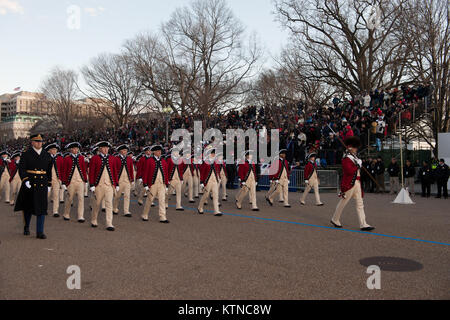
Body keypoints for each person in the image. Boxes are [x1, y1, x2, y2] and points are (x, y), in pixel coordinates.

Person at [331, 136, 375, 232]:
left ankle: (363, 224)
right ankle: (335, 219)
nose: (356, 149)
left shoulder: (354, 158)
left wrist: (358, 163)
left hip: (357, 183)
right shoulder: (346, 158)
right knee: (343, 202)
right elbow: (349, 171)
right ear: (351, 148)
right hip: (349, 184)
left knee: (360, 204)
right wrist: (357, 165)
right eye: (355, 148)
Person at [14, 134, 53, 239]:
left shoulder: (46, 155)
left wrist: (49, 183)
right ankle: (26, 226)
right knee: (28, 207)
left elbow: (49, 171)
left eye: (40, 141)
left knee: (41, 208)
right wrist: (25, 180)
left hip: (42, 183)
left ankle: (40, 231)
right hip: (30, 183)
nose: (39, 143)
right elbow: (21, 168)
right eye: (36, 141)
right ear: (32, 142)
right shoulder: (26, 154)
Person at [89, 141, 119, 231]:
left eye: (107, 148)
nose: (106, 150)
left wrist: (116, 183)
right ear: (100, 149)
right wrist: (92, 185)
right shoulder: (94, 158)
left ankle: (109, 223)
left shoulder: (112, 158)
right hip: (99, 185)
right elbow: (92, 173)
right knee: (97, 204)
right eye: (104, 148)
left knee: (109, 204)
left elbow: (114, 172)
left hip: (109, 185)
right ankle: (94, 219)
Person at [141, 145, 170, 223]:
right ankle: (145, 214)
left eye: (160, 151)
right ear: (154, 152)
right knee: (150, 200)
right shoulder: (149, 160)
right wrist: (145, 184)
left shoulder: (163, 161)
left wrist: (167, 184)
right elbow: (145, 173)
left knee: (162, 200)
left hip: (161, 184)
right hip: (152, 184)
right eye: (157, 151)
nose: (159, 152)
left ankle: (162, 216)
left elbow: (166, 173)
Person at [62, 142, 88, 223]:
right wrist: (63, 182)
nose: (75, 150)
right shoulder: (66, 159)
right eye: (73, 149)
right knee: (69, 198)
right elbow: (64, 171)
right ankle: (66, 213)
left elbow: (84, 169)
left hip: (80, 181)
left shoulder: (81, 158)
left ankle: (80, 216)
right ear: (71, 150)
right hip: (71, 181)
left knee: (81, 199)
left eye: (77, 149)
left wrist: (85, 180)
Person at [198, 148, 222, 216]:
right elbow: (202, 173)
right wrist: (202, 182)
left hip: (214, 180)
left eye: (214, 154)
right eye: (212, 153)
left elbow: (217, 171)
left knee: (215, 195)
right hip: (207, 181)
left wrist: (218, 178)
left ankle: (216, 211)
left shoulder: (215, 162)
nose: (213, 155)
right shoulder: (205, 162)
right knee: (205, 195)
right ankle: (200, 207)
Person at [113, 144, 135, 217]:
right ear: (120, 151)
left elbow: (131, 169)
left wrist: (132, 179)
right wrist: (115, 181)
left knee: (127, 196)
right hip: (119, 180)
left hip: (127, 179)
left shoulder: (129, 159)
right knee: (117, 196)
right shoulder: (116, 159)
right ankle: (114, 208)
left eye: (126, 150)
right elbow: (114, 170)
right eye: (123, 150)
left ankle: (126, 211)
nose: (125, 151)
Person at [46, 143, 64, 217]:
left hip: (57, 179)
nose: (54, 151)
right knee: (46, 195)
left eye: (55, 149)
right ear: (49, 151)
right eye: (52, 149)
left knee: (56, 195)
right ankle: (44, 209)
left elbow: (62, 169)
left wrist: (62, 179)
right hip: (47, 180)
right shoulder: (45, 158)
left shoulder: (59, 158)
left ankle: (55, 211)